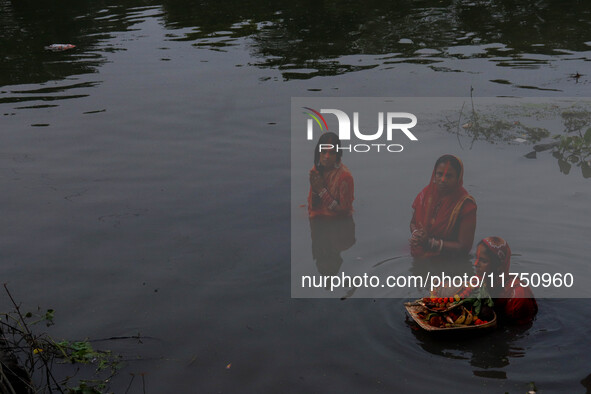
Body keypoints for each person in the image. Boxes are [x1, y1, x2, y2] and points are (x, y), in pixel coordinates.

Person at [409, 154, 476, 257]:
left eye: (449, 176)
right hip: (419, 253)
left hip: (448, 260)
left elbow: (464, 247)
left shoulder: (466, 205)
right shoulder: (426, 194)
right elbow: (413, 222)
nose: (443, 180)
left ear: (458, 178)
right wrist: (416, 235)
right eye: (439, 174)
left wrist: (430, 243)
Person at [474, 236, 538, 325]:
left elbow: (519, 333)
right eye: (476, 258)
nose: (475, 264)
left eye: (483, 261)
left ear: (499, 265)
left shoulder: (518, 296)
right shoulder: (479, 282)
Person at [308, 132, 354, 218]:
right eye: (324, 152)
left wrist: (321, 191)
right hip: (318, 220)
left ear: (337, 155)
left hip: (338, 224)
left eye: (332, 153)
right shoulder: (316, 171)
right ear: (319, 153)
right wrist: (315, 191)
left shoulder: (345, 177)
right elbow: (312, 206)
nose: (327, 156)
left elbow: (345, 211)